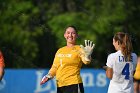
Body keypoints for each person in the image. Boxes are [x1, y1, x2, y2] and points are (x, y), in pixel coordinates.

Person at [40, 26, 95, 93]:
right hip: (60, 85)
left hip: (74, 84)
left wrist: (88, 55)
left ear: (77, 35)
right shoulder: (60, 50)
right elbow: (55, 67)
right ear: (65, 35)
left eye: (73, 33)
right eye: (68, 33)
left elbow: (86, 61)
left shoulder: (80, 49)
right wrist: (48, 76)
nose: (70, 35)